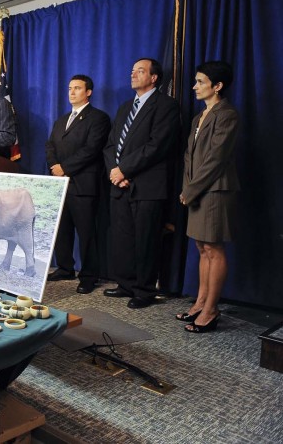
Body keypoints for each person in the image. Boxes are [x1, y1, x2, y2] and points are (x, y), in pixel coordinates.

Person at [102, 58, 180, 309]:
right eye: (132, 70)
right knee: (122, 238)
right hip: (120, 184)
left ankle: (144, 291)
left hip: (148, 185)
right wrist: (115, 172)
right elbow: (112, 144)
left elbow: (157, 146)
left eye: (140, 71)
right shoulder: (126, 107)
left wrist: (124, 169)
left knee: (146, 240)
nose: (133, 74)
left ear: (154, 77)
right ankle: (126, 284)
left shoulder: (166, 105)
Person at [178, 61, 239, 333]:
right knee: (201, 247)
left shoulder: (227, 115)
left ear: (217, 86)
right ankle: (200, 302)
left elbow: (216, 159)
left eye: (200, 82)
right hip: (196, 189)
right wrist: (186, 187)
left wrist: (191, 190)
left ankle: (212, 310)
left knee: (213, 249)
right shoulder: (198, 117)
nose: (195, 86)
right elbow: (189, 157)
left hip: (214, 190)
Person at [45, 75, 111, 294]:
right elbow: (50, 145)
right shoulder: (62, 119)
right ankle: (65, 267)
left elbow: (91, 150)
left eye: (77, 88)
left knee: (86, 233)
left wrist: (65, 168)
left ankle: (89, 276)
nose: (71, 92)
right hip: (61, 183)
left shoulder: (98, 118)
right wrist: (54, 165)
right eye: (70, 88)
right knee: (62, 230)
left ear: (88, 92)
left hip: (83, 184)